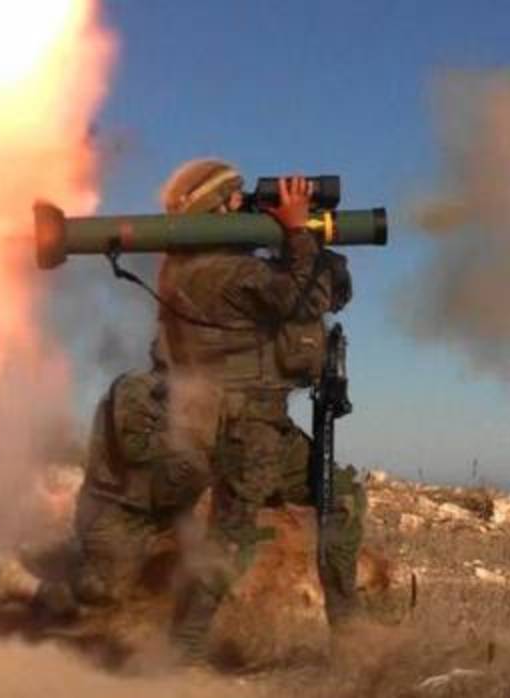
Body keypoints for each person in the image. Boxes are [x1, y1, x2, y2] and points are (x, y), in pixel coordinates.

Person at [154, 159, 363, 662]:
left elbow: (322, 287)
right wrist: (295, 231)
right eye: (235, 200)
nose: (243, 206)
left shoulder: (186, 269)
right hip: (247, 426)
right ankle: (176, 656)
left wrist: (304, 244)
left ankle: (351, 631)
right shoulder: (224, 273)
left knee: (339, 498)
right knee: (231, 535)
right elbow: (309, 296)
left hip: (228, 420)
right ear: (216, 208)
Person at [12, 350, 210, 619]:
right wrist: (199, 455)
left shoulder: (186, 406)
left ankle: (73, 558)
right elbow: (136, 449)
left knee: (196, 568)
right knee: (102, 591)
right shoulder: (136, 389)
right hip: (116, 513)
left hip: (158, 516)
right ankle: (51, 578)